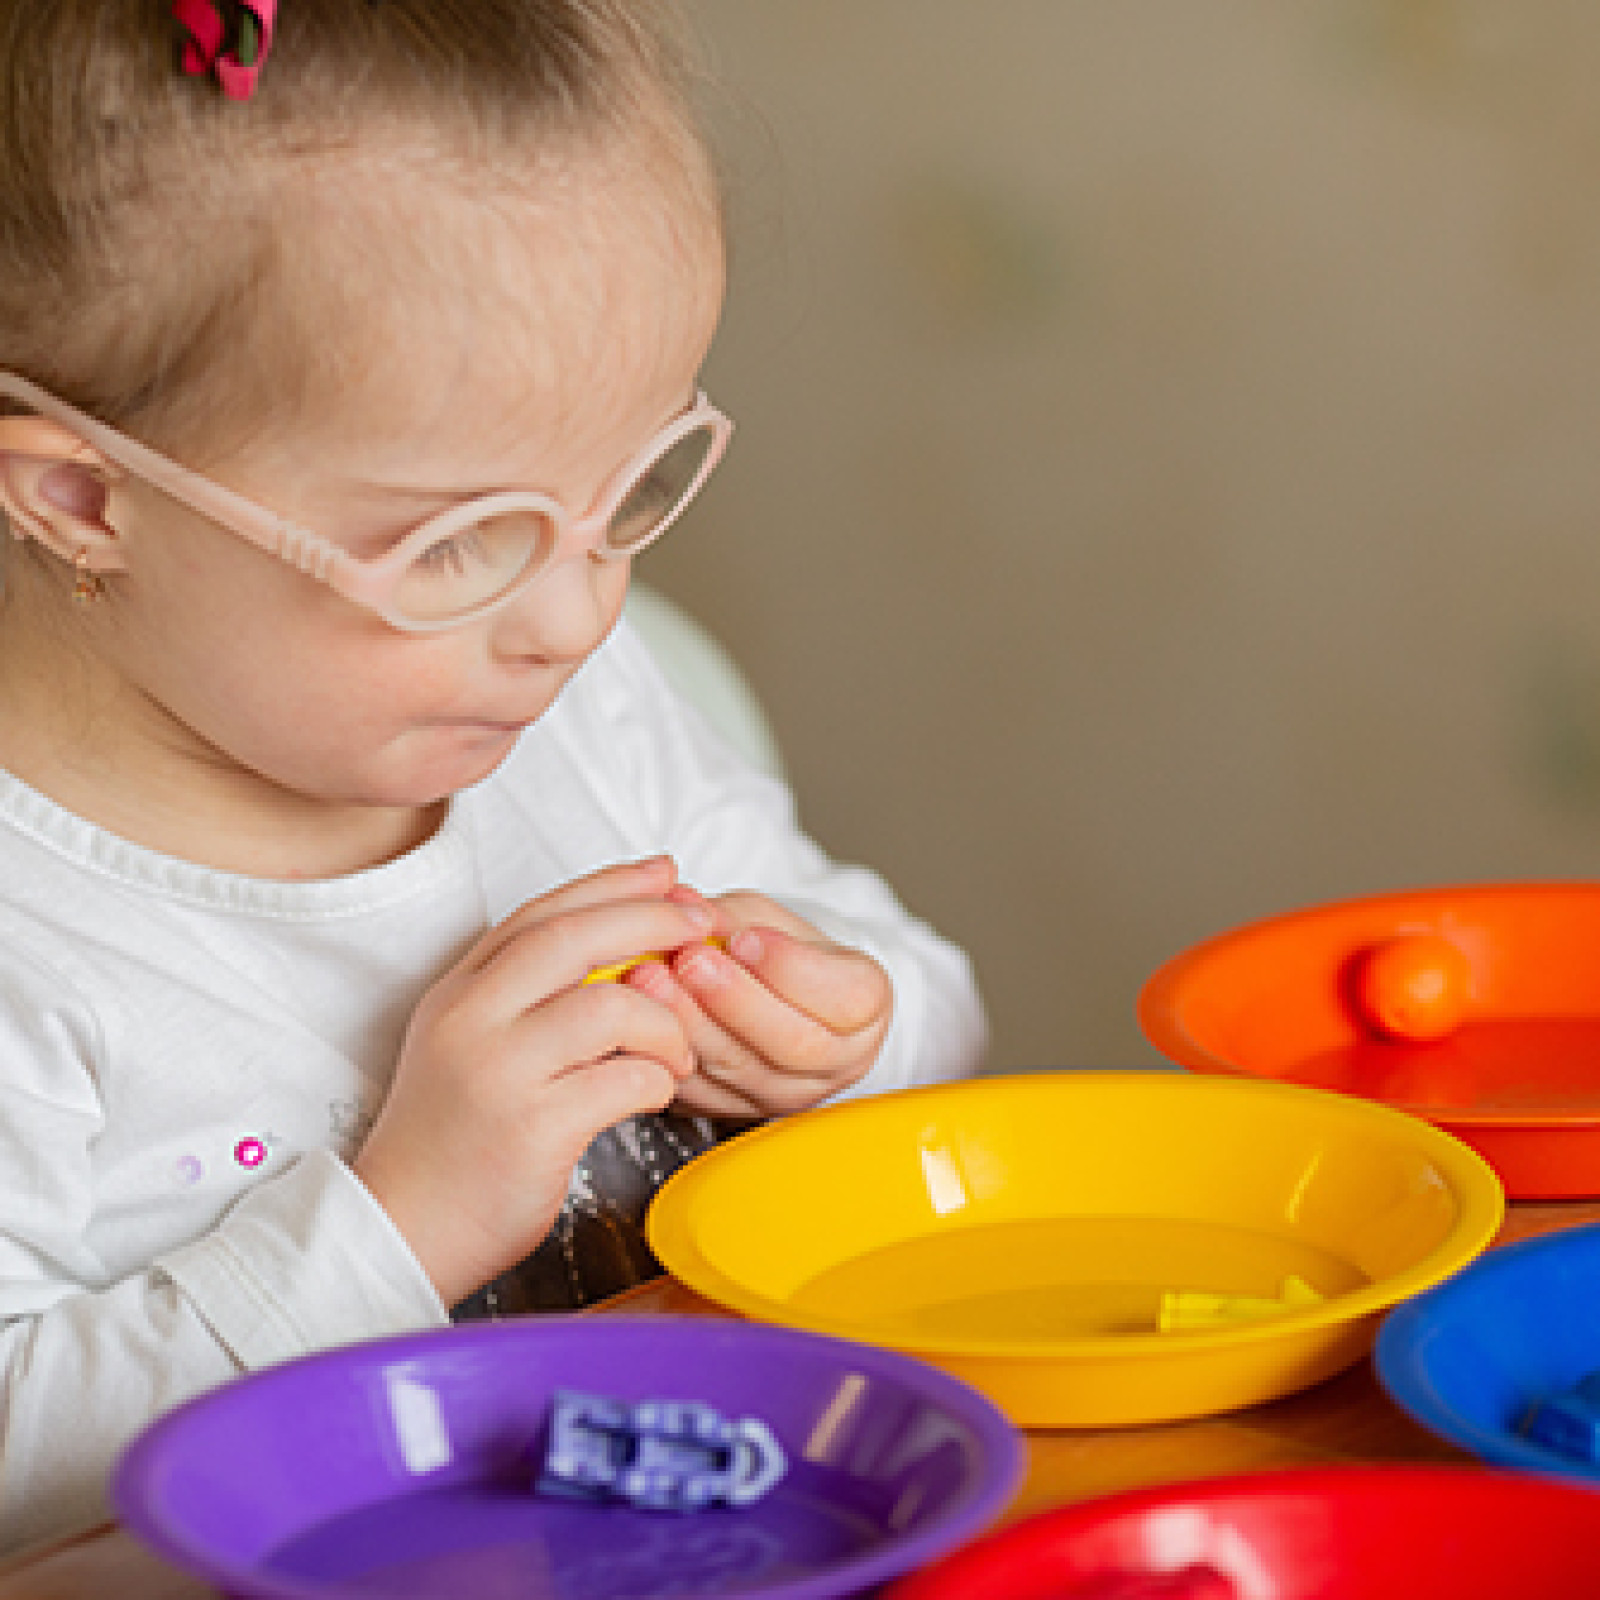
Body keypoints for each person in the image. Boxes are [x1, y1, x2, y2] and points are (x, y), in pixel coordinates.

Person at [0, 0, 986, 1552]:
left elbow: (932, 1006)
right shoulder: (36, 941)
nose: (578, 618)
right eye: (460, 543)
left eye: (629, 488)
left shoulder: (576, 711)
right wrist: (402, 1224)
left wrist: (839, 1044)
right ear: (79, 499)